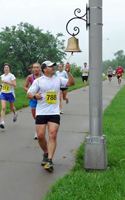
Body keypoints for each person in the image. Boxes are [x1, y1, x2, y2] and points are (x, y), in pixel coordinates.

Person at [27, 60, 75, 172]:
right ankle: (45, 152)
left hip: (54, 112)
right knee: (40, 135)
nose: (53, 67)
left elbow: (71, 83)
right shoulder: (39, 81)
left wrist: (68, 72)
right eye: (50, 66)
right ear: (45, 69)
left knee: (52, 135)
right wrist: (35, 96)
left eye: (54, 66)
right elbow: (28, 94)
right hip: (41, 112)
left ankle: (49, 160)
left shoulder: (58, 79)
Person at [24, 62, 42, 140]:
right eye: (34, 67)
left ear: (40, 68)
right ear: (32, 69)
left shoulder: (43, 77)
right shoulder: (29, 77)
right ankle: (38, 128)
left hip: (41, 98)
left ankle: (37, 131)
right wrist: (30, 91)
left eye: (37, 67)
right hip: (32, 98)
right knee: (35, 116)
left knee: (40, 116)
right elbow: (25, 87)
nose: (36, 69)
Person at [0, 63, 18, 129]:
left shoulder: (11, 76)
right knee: (3, 108)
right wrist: (0, 86)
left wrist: (7, 82)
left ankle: (15, 113)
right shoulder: (2, 76)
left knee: (11, 107)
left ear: (9, 68)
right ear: (3, 69)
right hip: (3, 93)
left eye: (7, 67)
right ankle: (2, 122)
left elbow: (14, 84)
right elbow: (2, 84)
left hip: (10, 93)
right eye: (5, 67)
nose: (6, 68)